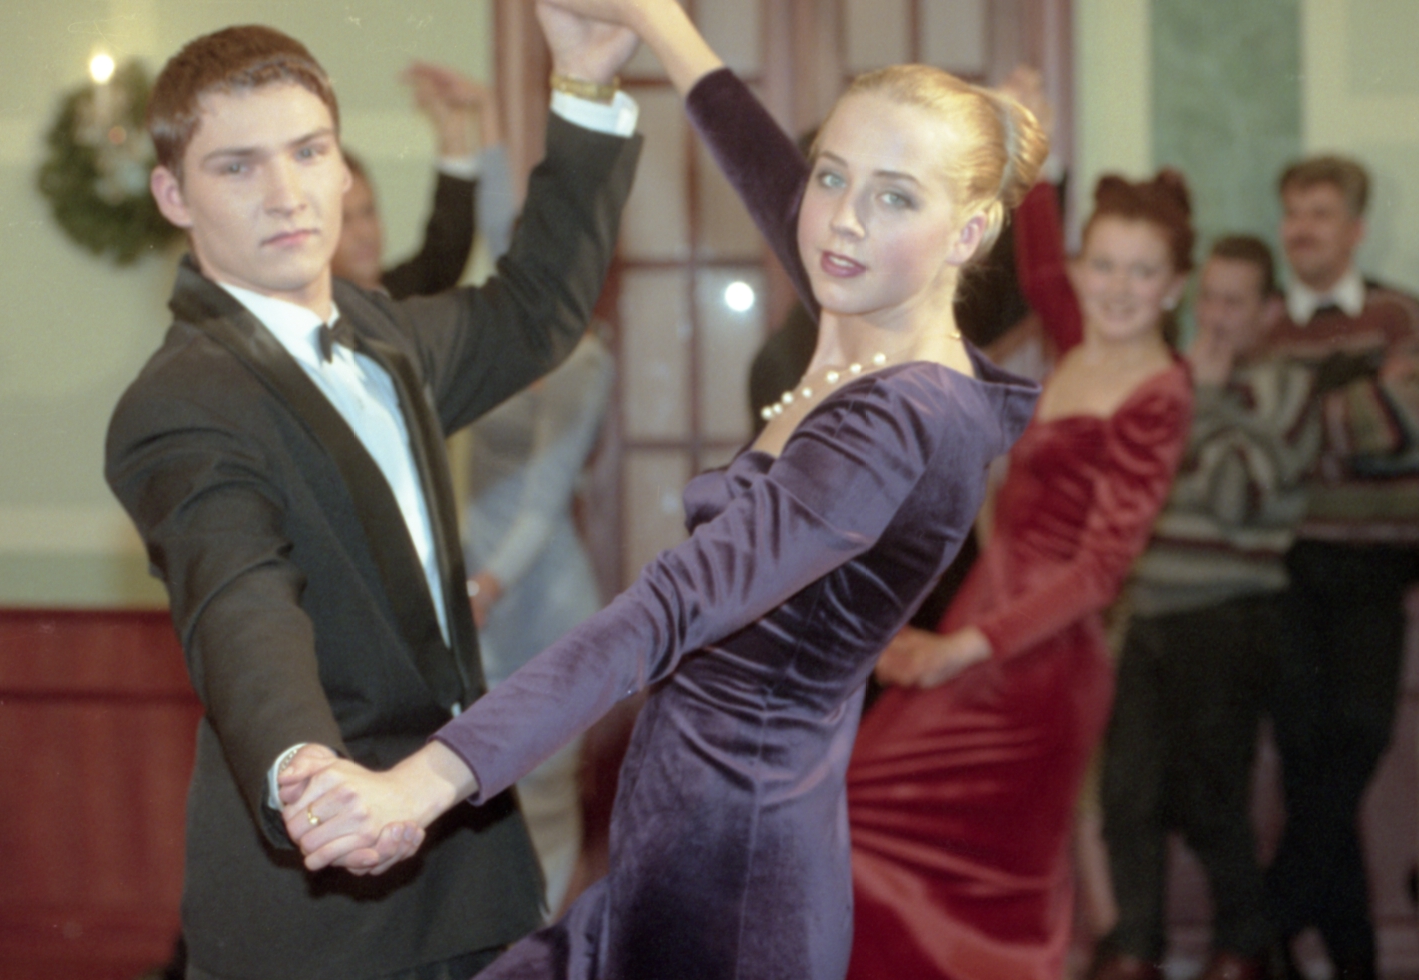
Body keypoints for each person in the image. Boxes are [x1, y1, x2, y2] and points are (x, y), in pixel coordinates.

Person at [276, 0, 1047, 976]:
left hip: (733, 884)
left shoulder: (905, 417)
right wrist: (651, 25)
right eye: (832, 174)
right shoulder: (865, 311)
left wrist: (422, 782)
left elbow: (671, 606)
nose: (844, 217)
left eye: (896, 197)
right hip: (680, 841)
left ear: (969, 232)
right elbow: (763, 165)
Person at [103, 13, 643, 979]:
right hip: (321, 904)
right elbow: (241, 603)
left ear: (343, 169)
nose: (285, 193)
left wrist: (586, 86)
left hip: (470, 872)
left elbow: (536, 310)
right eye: (237, 166)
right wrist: (305, 776)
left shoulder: (383, 334)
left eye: (309, 151)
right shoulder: (182, 402)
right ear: (173, 195)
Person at [842, 167, 1197, 980]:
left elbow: (1100, 572)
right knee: (860, 820)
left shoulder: (1159, 393)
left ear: (1175, 287)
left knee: (972, 873)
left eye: (1143, 272)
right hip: (986, 623)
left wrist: (958, 648)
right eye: (1102, 265)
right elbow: (1036, 269)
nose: (1118, 288)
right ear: (1080, 268)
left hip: (1040, 662)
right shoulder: (1079, 338)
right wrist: (1028, 150)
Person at [1092, 236, 1319, 980]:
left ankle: (1245, 946)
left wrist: (1211, 399)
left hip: (1227, 615)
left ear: (1268, 312)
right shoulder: (1166, 383)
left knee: (1211, 796)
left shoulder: (1286, 390)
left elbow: (1234, 499)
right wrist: (1196, 407)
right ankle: (1136, 949)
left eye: (1234, 302)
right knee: (1126, 793)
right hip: (1146, 612)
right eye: (1209, 299)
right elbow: (1132, 493)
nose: (1216, 317)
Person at [1256, 155, 1419, 980]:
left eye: (1321, 213)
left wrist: (1302, 419)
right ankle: (1352, 959)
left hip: (1376, 566)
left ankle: (1264, 922)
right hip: (1287, 569)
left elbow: (1410, 419)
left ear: (1357, 229)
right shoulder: (1262, 324)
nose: (1303, 229)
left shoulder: (1399, 314)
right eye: (1294, 213)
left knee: (1362, 735)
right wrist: (1354, 406)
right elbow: (1252, 445)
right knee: (1305, 761)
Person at [463, 331, 615, 914]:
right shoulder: (487, 335)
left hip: (540, 606)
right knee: (483, 801)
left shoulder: (582, 360)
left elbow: (543, 498)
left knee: (544, 803)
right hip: (479, 603)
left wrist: (485, 585)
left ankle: (541, 947)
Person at [333, 62, 511, 299]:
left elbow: (444, 254)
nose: (363, 233)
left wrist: (452, 129)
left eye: (368, 212)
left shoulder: (399, 295)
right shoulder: (307, 314)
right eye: (344, 220)